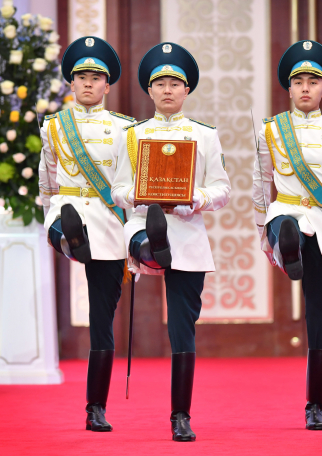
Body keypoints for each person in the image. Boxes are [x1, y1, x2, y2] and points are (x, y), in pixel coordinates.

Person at [111, 42, 231, 442]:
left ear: (186, 90)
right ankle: (151, 247)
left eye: (175, 84)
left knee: (183, 329)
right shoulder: (132, 135)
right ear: (149, 90)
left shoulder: (205, 136)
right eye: (160, 83)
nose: (167, 90)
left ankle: (181, 415)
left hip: (187, 230)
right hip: (143, 221)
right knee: (146, 242)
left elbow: (222, 189)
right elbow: (117, 189)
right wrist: (135, 195)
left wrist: (195, 199)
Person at [252, 40, 322, 430]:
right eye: (298, 81)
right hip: (284, 213)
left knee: (319, 319)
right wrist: (262, 233)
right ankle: (288, 246)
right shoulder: (271, 129)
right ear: (289, 88)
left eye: (312, 82)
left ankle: (315, 405)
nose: (305, 87)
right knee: (286, 226)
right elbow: (260, 186)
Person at [38, 36, 135, 432]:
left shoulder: (125, 128)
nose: (89, 83)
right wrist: (49, 217)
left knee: (101, 318)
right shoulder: (53, 126)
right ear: (71, 83)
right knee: (64, 224)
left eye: (96, 78)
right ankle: (67, 237)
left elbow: (129, 183)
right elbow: (47, 180)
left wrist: (132, 230)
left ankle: (96, 407)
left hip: (108, 221)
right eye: (82, 77)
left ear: (107, 85)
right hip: (68, 207)